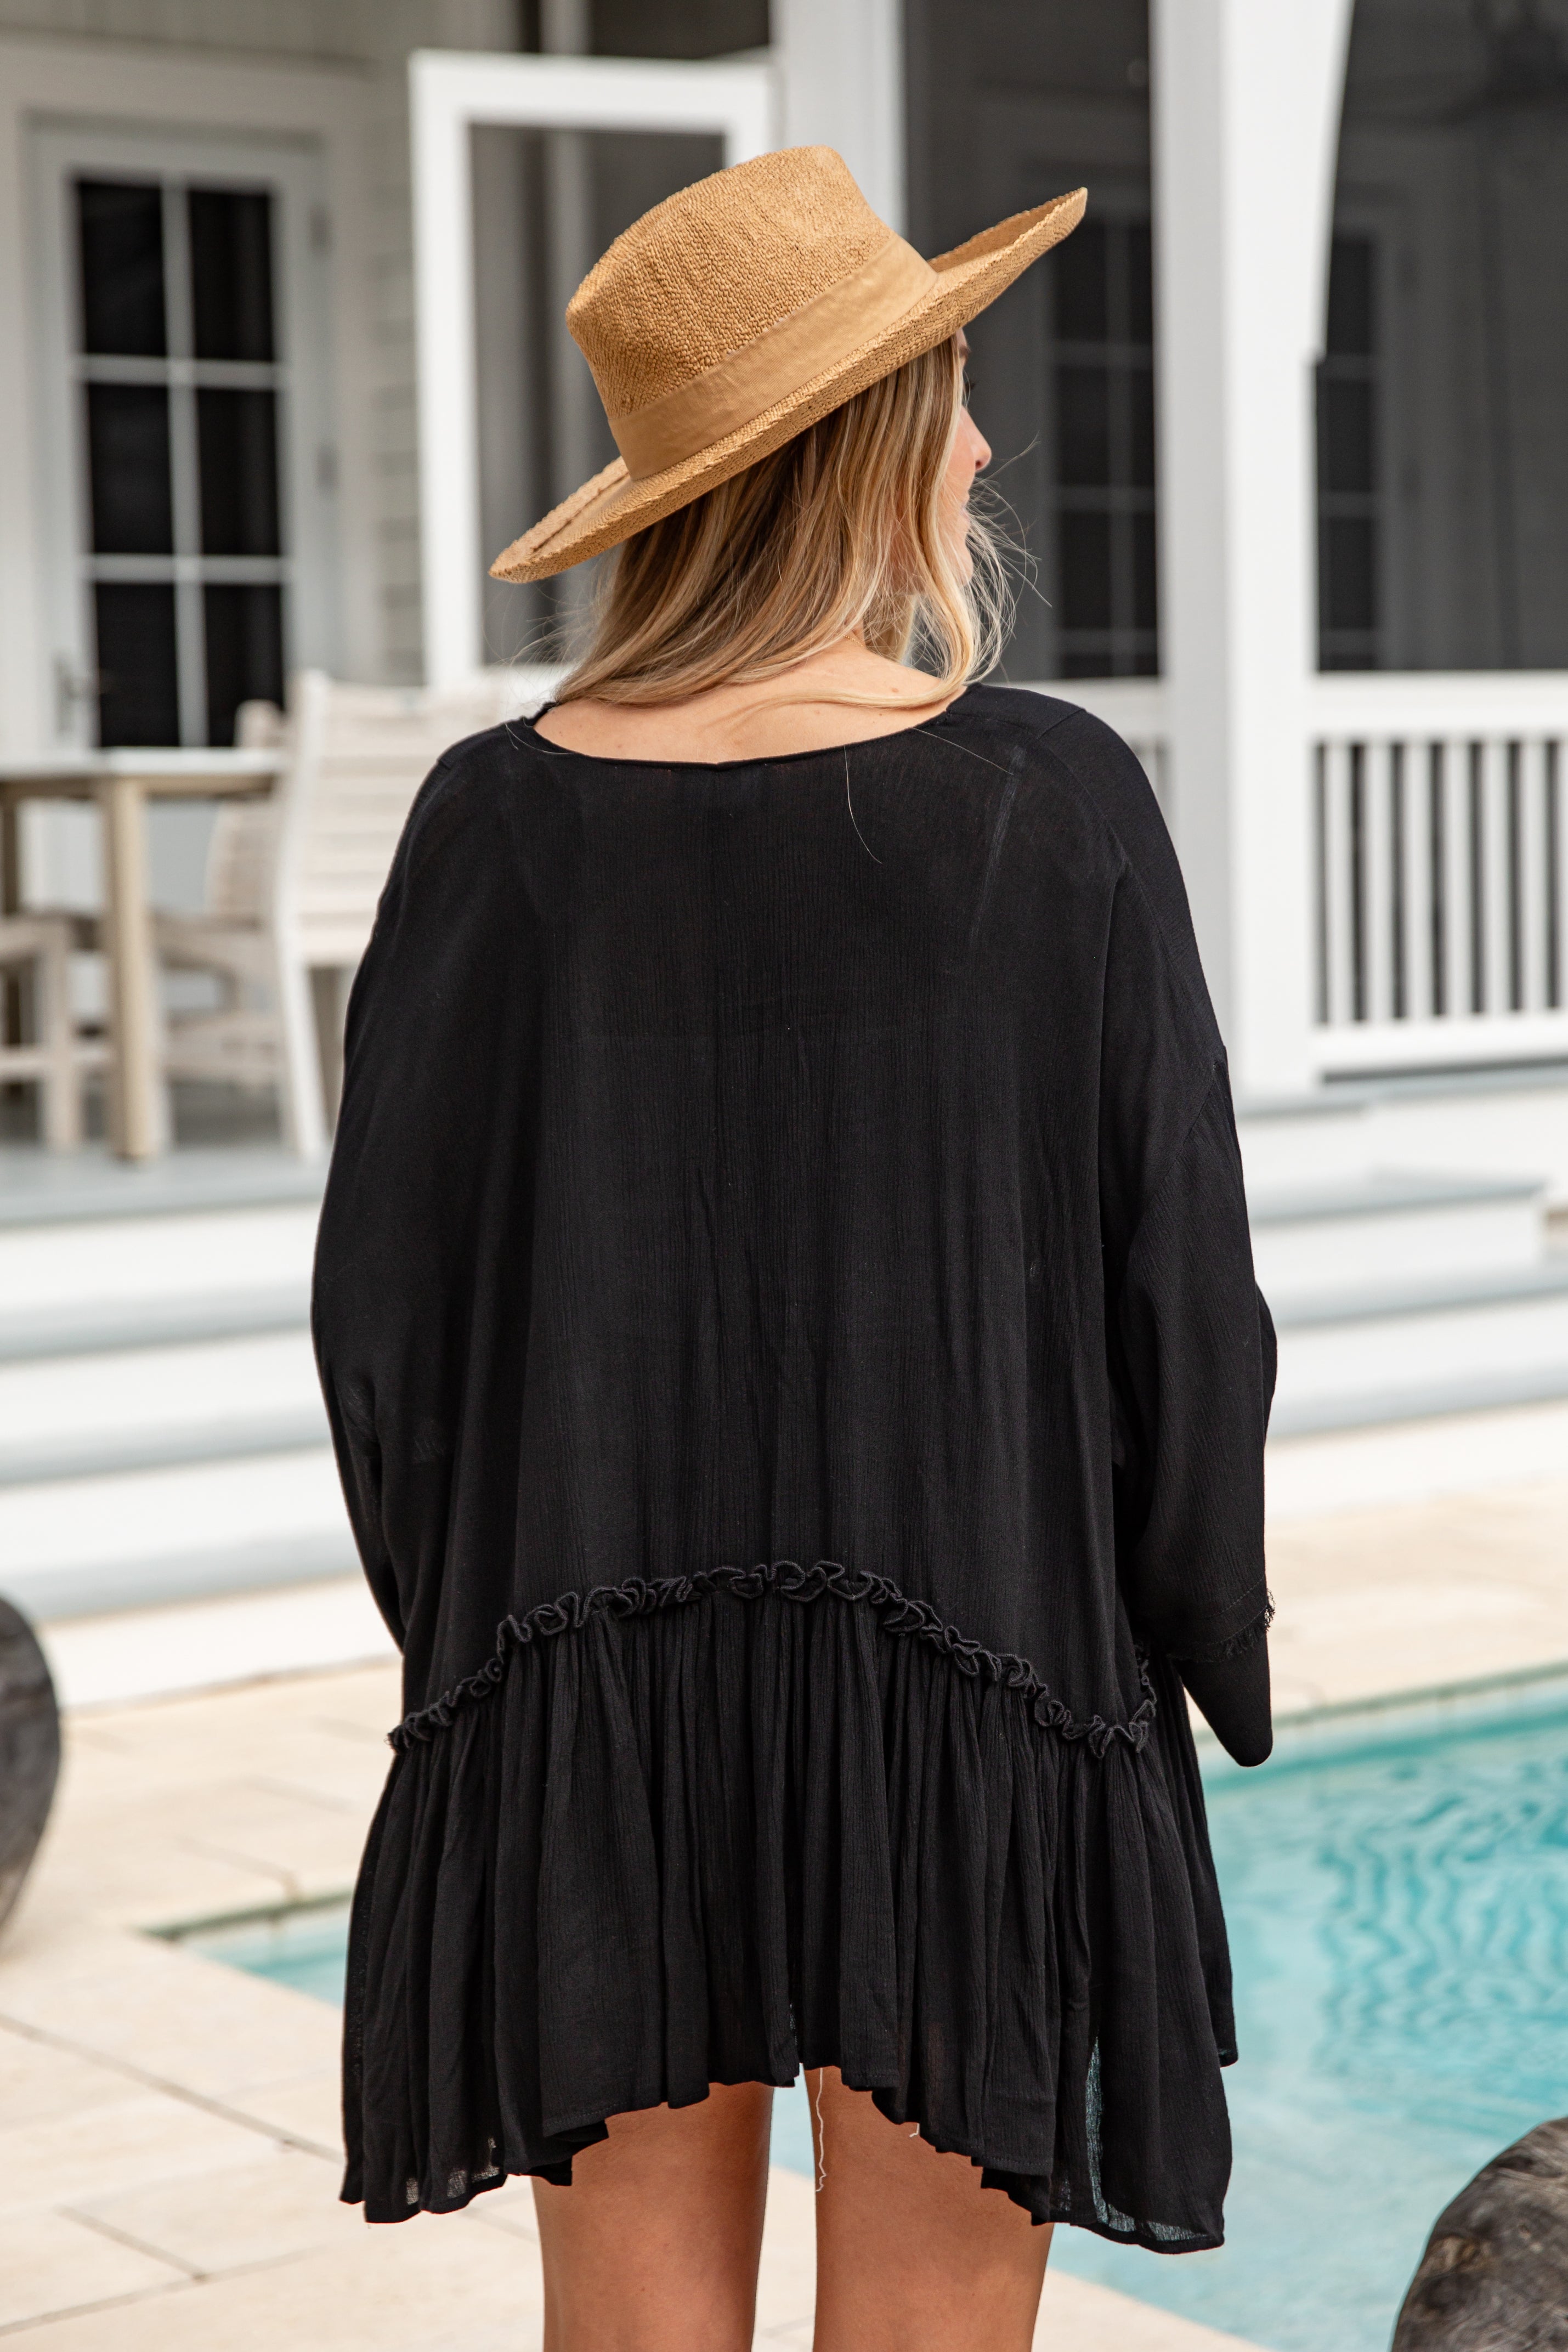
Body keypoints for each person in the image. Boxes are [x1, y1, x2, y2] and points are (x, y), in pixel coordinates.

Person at [313, 145, 1276, 2352]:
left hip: (595, 1683)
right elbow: (1184, 1297)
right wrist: (1185, 1643)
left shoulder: (488, 819)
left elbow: (383, 1317)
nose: (978, 440)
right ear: (859, 449)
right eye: (943, 392)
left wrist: (486, 1643)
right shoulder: (1049, 799)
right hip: (978, 1674)